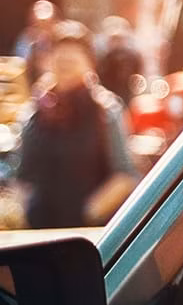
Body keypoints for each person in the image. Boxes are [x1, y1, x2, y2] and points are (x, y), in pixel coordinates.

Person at [16, 21, 139, 229]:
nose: (65, 61)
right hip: (38, 236)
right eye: (60, 55)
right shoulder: (35, 112)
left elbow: (125, 175)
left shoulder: (105, 110)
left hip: (86, 238)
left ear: (90, 63)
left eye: (73, 57)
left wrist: (89, 213)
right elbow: (22, 175)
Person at [96, 16, 145, 102]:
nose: (116, 42)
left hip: (126, 90)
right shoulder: (105, 57)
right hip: (110, 90)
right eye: (114, 39)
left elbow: (137, 71)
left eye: (118, 39)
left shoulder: (131, 56)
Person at [15, 0, 57, 87]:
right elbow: (19, 63)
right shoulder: (26, 38)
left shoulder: (60, 39)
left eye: (45, 23)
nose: (41, 27)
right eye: (37, 23)